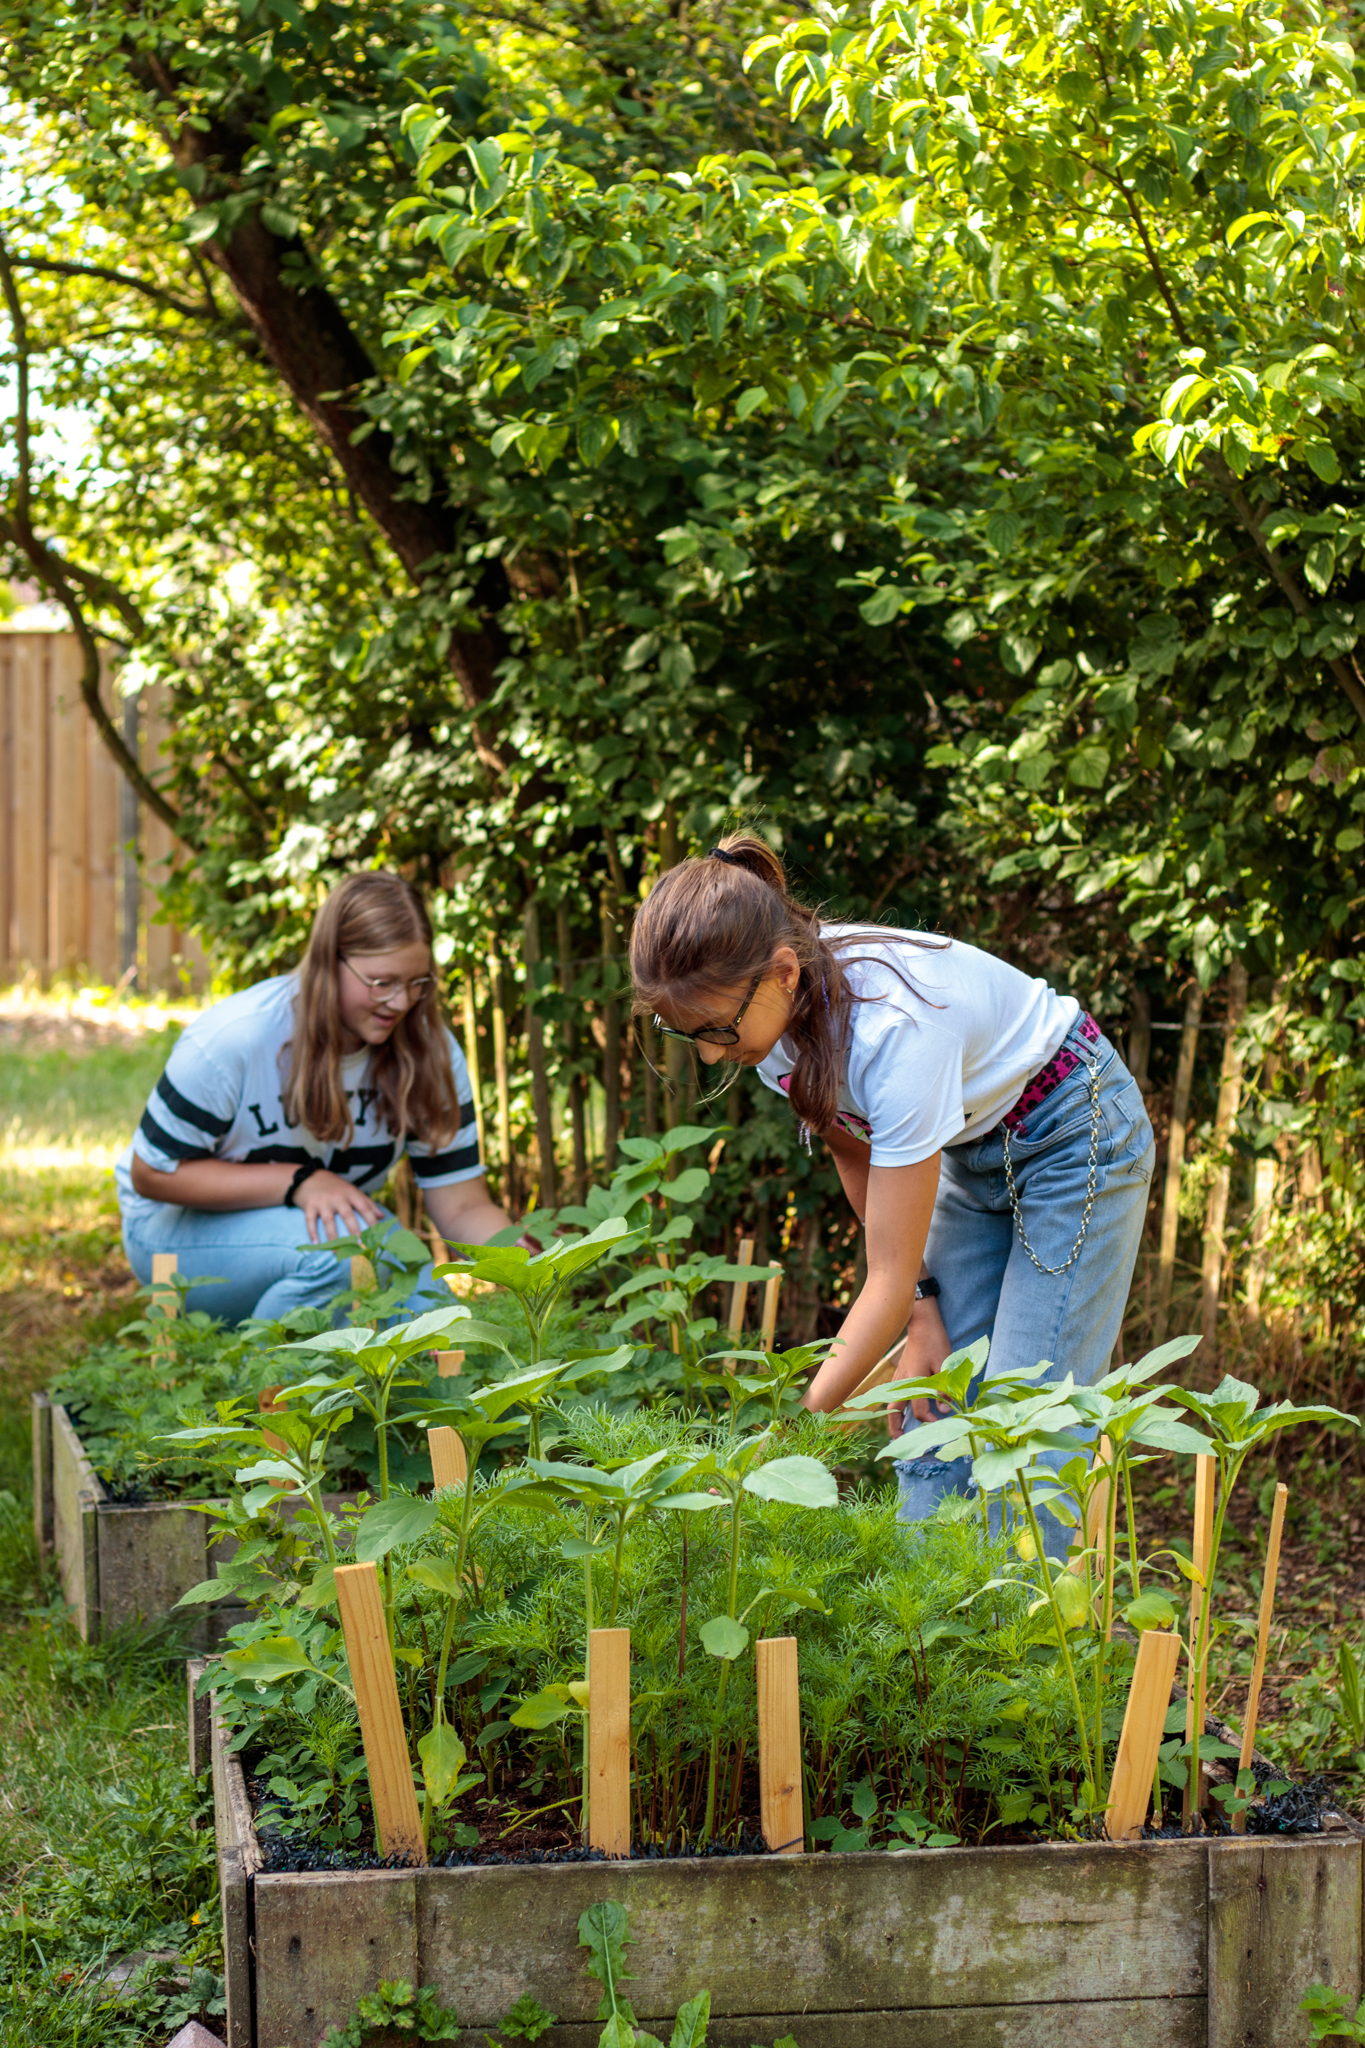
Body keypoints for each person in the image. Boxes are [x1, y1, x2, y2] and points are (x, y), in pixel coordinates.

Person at [630, 836, 1155, 1552]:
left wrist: (792, 1430)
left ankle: (1015, 1653)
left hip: (1071, 1129)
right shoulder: (771, 1031)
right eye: (687, 1033)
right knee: (928, 1405)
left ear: (782, 972)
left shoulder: (893, 1030)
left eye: (717, 1030)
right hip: (969, 1144)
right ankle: (921, 1638)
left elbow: (881, 1272)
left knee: (1024, 1417)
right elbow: (854, 1148)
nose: (711, 1054)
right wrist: (922, 1312)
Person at [116, 871, 511, 1323]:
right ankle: (260, 1386)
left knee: (444, 1324)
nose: (402, 1002)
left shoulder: (429, 1049)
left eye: (417, 982)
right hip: (174, 1232)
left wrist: (525, 1263)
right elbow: (152, 1174)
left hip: (335, 1229)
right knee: (341, 1259)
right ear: (329, 962)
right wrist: (301, 1181)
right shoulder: (237, 1039)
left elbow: (461, 1203)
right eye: (382, 983)